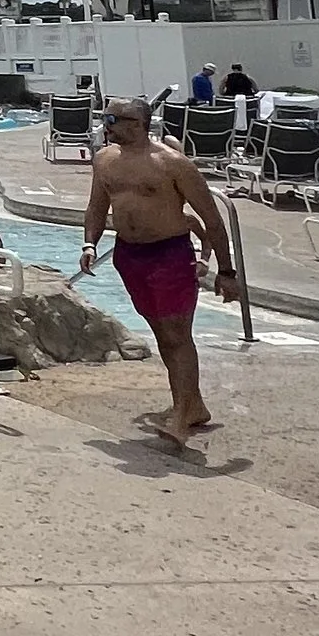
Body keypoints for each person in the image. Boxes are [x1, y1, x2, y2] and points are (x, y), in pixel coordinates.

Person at [77, 101, 237, 449]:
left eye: (112, 119)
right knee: (164, 335)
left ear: (137, 123)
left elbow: (211, 220)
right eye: (106, 118)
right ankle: (192, 405)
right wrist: (89, 244)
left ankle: (180, 416)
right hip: (130, 256)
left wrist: (226, 271)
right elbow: (96, 206)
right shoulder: (105, 159)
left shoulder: (172, 164)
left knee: (177, 335)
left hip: (169, 255)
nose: (106, 124)